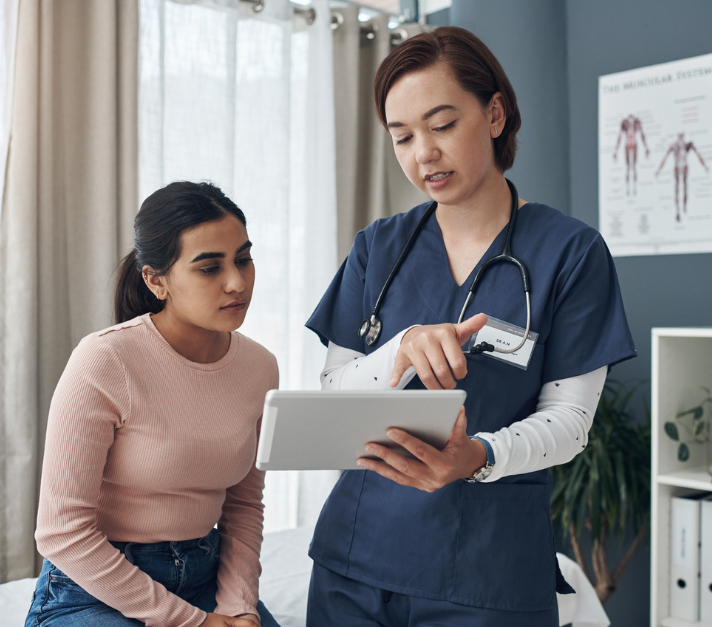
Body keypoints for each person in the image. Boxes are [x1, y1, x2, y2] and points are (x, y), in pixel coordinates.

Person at [305, 27, 636, 627]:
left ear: (494, 114)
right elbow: (333, 394)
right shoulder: (378, 248)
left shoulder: (570, 252)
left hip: (490, 569)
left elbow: (571, 423)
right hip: (355, 559)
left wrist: (477, 456)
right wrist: (400, 350)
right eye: (402, 136)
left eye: (441, 125)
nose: (422, 154)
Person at [25, 182, 281, 627]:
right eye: (209, 268)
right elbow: (62, 532)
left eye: (243, 258)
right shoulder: (105, 360)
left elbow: (243, 505)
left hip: (205, 572)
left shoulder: (260, 367)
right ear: (155, 279)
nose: (237, 282)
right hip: (95, 587)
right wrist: (192, 621)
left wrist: (238, 607)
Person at [655, 132, 709, 221]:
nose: (681, 138)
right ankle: (677, 211)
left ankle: (684, 207)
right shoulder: (673, 146)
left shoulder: (688, 145)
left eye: (682, 136)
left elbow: (698, 155)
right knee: (677, 189)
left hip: (684, 167)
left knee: (684, 188)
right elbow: (665, 158)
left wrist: (704, 166)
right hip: (677, 167)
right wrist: (659, 170)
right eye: (680, 136)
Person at [613, 113, 649, 196]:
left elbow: (642, 134)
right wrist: (616, 150)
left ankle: (635, 188)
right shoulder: (624, 123)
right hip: (627, 144)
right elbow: (620, 136)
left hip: (634, 143)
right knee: (628, 167)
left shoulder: (637, 122)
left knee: (634, 167)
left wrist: (646, 147)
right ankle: (628, 189)